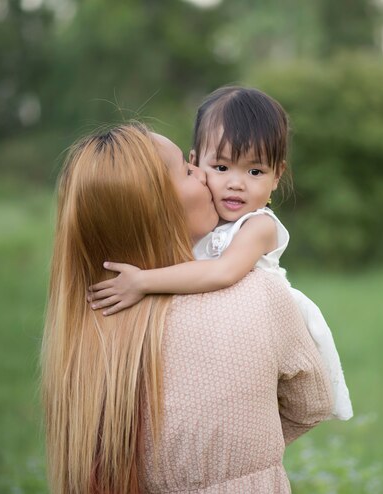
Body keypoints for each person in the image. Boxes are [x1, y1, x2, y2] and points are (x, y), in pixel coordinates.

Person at [41, 122, 333, 494]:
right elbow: (311, 403)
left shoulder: (87, 323)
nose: (206, 176)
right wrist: (238, 455)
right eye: (187, 167)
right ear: (158, 206)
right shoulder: (257, 295)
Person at [87, 87, 353, 420]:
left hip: (259, 334)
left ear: (277, 176)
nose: (236, 183)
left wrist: (142, 281)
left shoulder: (258, 226)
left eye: (255, 172)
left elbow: (223, 272)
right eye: (222, 167)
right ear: (196, 163)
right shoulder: (203, 217)